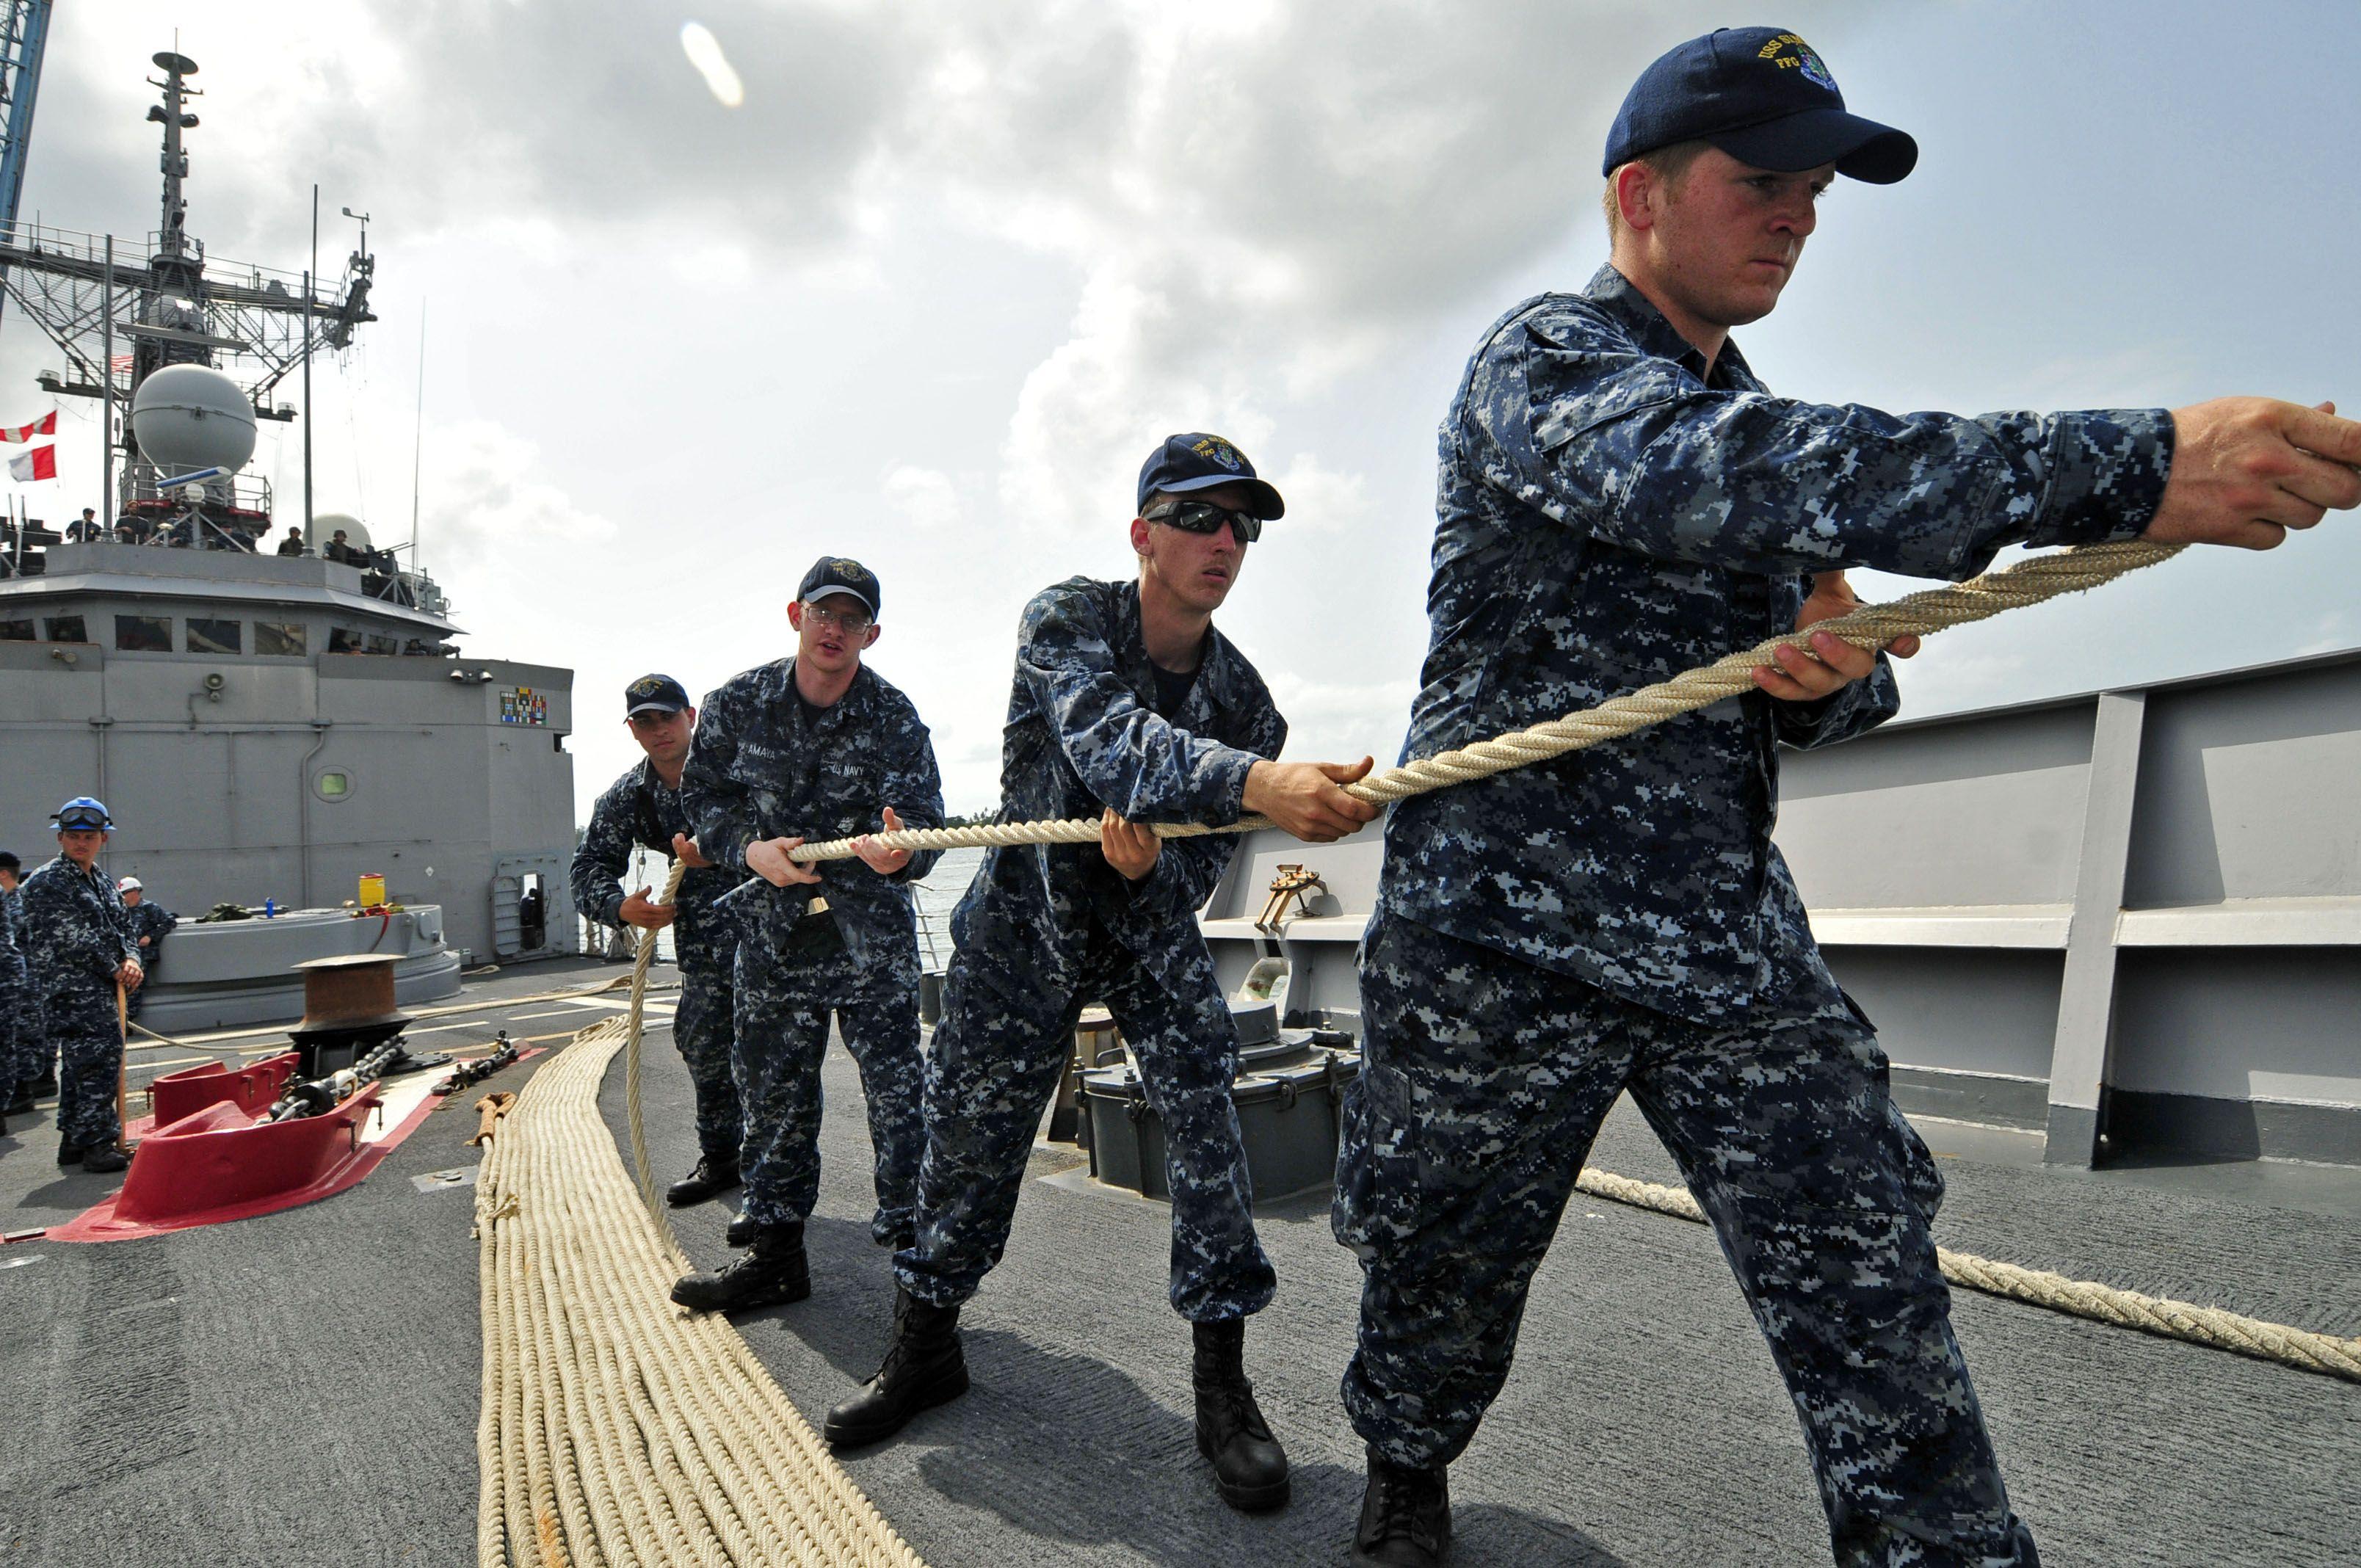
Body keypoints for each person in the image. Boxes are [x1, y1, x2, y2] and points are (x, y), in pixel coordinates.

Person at [1329, 26, 2361, 1568]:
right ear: (1641, 195)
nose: (1800, 216)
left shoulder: (1761, 437)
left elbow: (1843, 673)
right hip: (1499, 942)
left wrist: (1831, 673)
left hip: (1720, 941)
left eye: (1814, 190)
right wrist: (2132, 462)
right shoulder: (1545, 370)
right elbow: (1711, 475)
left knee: (1868, 1266)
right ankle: (1407, 1464)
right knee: (1441, 1271)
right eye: (1763, 181)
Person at [820, 434, 1382, 1517]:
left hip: (1145, 937)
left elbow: (1201, 874)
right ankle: (924, 1344)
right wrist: (1262, 785)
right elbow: (1109, 742)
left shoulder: (1247, 706)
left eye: (1243, 525)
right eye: (1200, 517)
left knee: (1211, 1136)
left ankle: (1223, 1387)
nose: (1226, 541)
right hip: (1024, 925)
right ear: (1143, 535)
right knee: (971, 1144)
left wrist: (1162, 865)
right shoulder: (1067, 619)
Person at [675, 556, 946, 1314]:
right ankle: (774, 1256)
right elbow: (707, 796)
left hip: (869, 941)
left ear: (873, 633)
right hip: (775, 938)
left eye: (852, 618)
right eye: (824, 612)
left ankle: (915, 1257)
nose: (835, 629)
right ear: (795, 615)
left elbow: (922, 824)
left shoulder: (895, 718)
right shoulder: (735, 704)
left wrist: (904, 852)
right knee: (773, 1096)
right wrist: (748, 849)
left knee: (900, 1096)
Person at [569, 674, 742, 1208]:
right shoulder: (629, 798)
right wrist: (619, 907)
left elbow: (790, 827)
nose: (658, 730)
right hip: (705, 948)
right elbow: (589, 866)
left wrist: (724, 849)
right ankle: (722, 1160)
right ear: (632, 731)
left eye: (666, 717)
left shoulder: (737, 772)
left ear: (690, 716)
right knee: (703, 1046)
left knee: (774, 1059)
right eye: (645, 721)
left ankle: (777, 1182)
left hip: (771, 933)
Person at [21, 798, 140, 1173]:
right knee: (97, 1062)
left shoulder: (101, 880)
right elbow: (71, 938)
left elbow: (124, 926)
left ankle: (75, 1141)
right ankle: (99, 1143)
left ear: (103, 839)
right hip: (70, 988)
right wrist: (117, 967)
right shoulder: (47, 882)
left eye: (90, 836)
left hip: (100, 983)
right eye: (73, 836)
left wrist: (133, 959)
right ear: (60, 838)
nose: (81, 843)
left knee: (80, 1065)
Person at [0, 849, 37, 1117]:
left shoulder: (20, 901)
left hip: (19, 979)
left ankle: (21, 1092)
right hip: (18, 976)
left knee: (20, 1037)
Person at [115, 877, 176, 1023]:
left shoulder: (149, 908)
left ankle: (128, 1021)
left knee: (134, 987)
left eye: (125, 893)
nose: (122, 897)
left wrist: (150, 936)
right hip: (125, 955)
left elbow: (169, 921)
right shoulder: (120, 910)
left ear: (135, 892)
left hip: (143, 955)